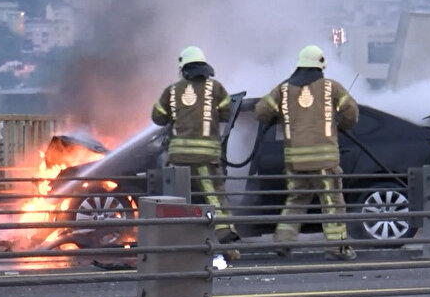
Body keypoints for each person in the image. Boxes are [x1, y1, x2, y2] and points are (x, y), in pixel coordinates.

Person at [254, 45, 359, 260]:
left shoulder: (283, 90)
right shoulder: (332, 88)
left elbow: (261, 111)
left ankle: (283, 242)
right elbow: (352, 112)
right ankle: (337, 248)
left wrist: (280, 116)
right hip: (324, 161)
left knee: (296, 200)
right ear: (321, 66)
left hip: (296, 162)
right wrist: (341, 126)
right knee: (332, 203)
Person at [151, 45, 240, 259]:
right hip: (205, 157)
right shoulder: (215, 88)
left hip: (178, 158)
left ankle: (172, 247)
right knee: (215, 196)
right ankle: (226, 237)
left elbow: (157, 117)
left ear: (182, 68)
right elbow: (228, 113)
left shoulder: (171, 91)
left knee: (176, 201)